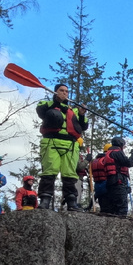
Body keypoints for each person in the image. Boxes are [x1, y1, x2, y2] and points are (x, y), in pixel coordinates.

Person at [36, 83, 89, 211]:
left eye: (66, 91)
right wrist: (56, 101)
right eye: (61, 91)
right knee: (49, 171)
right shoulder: (46, 104)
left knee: (70, 174)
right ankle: (45, 200)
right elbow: (40, 112)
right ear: (55, 92)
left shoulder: (74, 110)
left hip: (70, 145)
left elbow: (84, 126)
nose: (64, 93)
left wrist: (82, 114)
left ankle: (71, 203)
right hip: (51, 142)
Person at [98, 137, 133, 218]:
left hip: (111, 181)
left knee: (113, 207)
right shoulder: (117, 152)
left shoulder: (109, 153)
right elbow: (129, 163)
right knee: (122, 206)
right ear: (121, 144)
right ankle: (121, 226)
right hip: (118, 181)